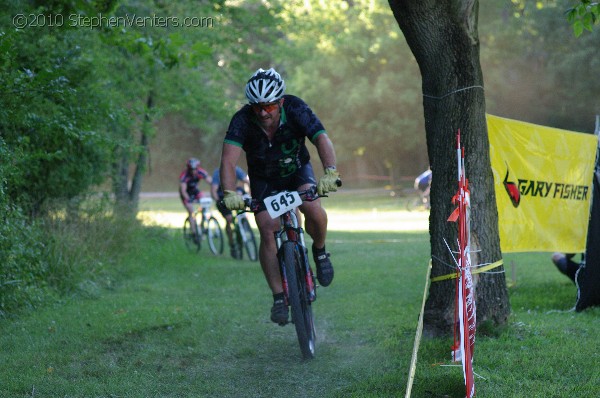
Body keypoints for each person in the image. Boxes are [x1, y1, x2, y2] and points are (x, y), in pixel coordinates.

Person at [219, 67, 340, 325]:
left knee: (312, 208)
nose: (263, 113)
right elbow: (229, 160)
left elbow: (321, 139)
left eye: (269, 107)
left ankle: (319, 252)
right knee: (266, 227)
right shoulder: (242, 119)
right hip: (264, 180)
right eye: (258, 107)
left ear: (280, 102)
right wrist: (229, 193)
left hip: (297, 171)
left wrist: (330, 173)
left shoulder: (296, 108)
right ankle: (277, 296)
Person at [211, 166, 250, 259]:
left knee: (241, 208)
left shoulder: (237, 170)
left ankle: (242, 222)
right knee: (229, 219)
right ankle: (232, 243)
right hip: (223, 197)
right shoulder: (217, 173)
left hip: (234, 196)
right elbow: (213, 190)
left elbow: (247, 181)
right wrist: (218, 201)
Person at [179, 158, 212, 240]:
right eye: (191, 169)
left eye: (195, 169)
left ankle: (202, 224)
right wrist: (188, 200)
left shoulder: (200, 172)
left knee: (205, 201)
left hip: (195, 191)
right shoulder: (184, 176)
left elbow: (210, 181)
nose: (193, 171)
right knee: (191, 210)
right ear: (188, 168)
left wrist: (216, 189)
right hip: (186, 194)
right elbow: (183, 191)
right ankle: (194, 233)